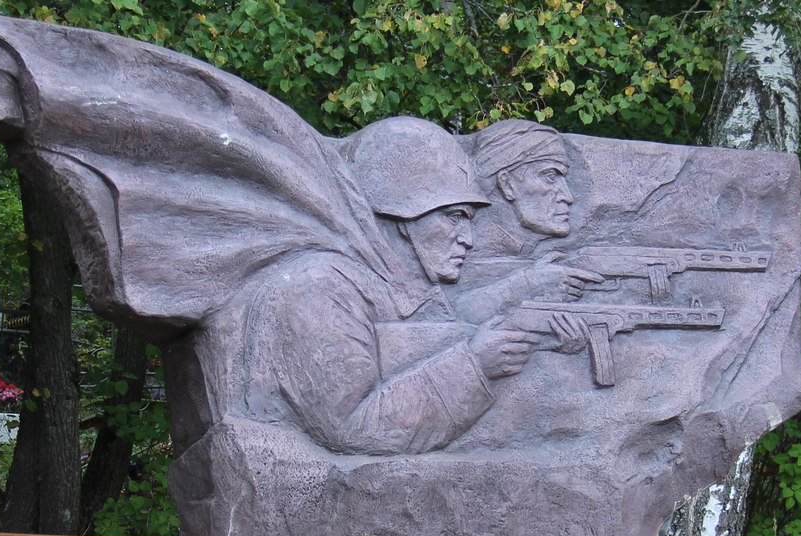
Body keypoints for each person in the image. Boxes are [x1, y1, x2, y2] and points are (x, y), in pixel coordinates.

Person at [242, 117, 574, 455]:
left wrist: (538, 340)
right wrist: (475, 365)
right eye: (454, 217)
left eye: (468, 220)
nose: (468, 240)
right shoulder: (319, 290)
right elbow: (352, 428)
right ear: (402, 216)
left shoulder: (407, 294)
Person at [452, 120, 605, 324]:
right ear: (507, 184)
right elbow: (447, 316)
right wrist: (528, 283)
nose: (568, 197)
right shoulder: (453, 251)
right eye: (550, 176)